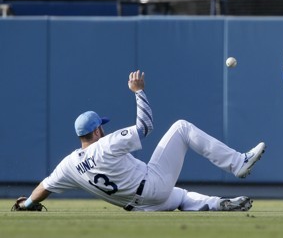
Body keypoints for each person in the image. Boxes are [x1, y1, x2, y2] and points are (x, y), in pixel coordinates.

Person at [17, 70, 266, 212]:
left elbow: (44, 187)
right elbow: (145, 127)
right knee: (182, 127)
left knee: (179, 197)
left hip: (139, 207)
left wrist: (27, 203)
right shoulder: (105, 145)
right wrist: (139, 91)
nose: (104, 130)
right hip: (152, 186)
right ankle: (237, 163)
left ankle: (217, 204)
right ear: (96, 132)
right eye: (101, 127)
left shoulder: (69, 164)